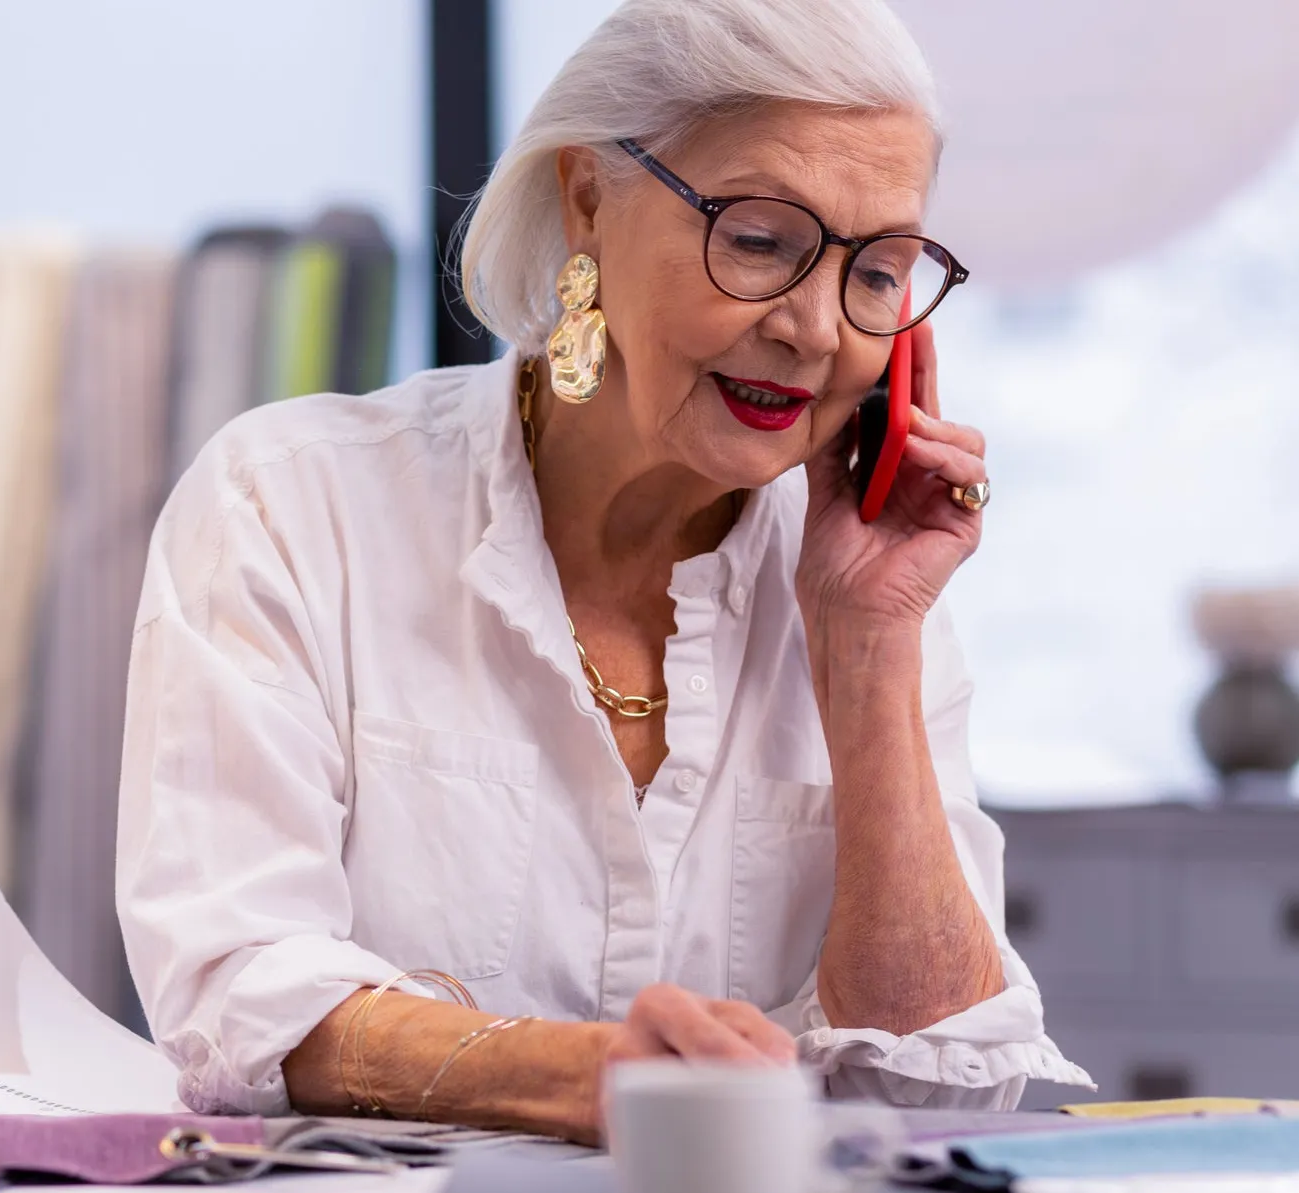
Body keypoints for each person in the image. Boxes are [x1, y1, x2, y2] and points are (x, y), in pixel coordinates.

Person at [115, 0, 1088, 1143]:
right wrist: (577, 1074)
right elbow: (233, 993)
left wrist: (867, 644)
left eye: (877, 272)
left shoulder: (868, 594)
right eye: (763, 240)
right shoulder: (289, 504)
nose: (818, 330)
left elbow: (947, 1086)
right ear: (588, 199)